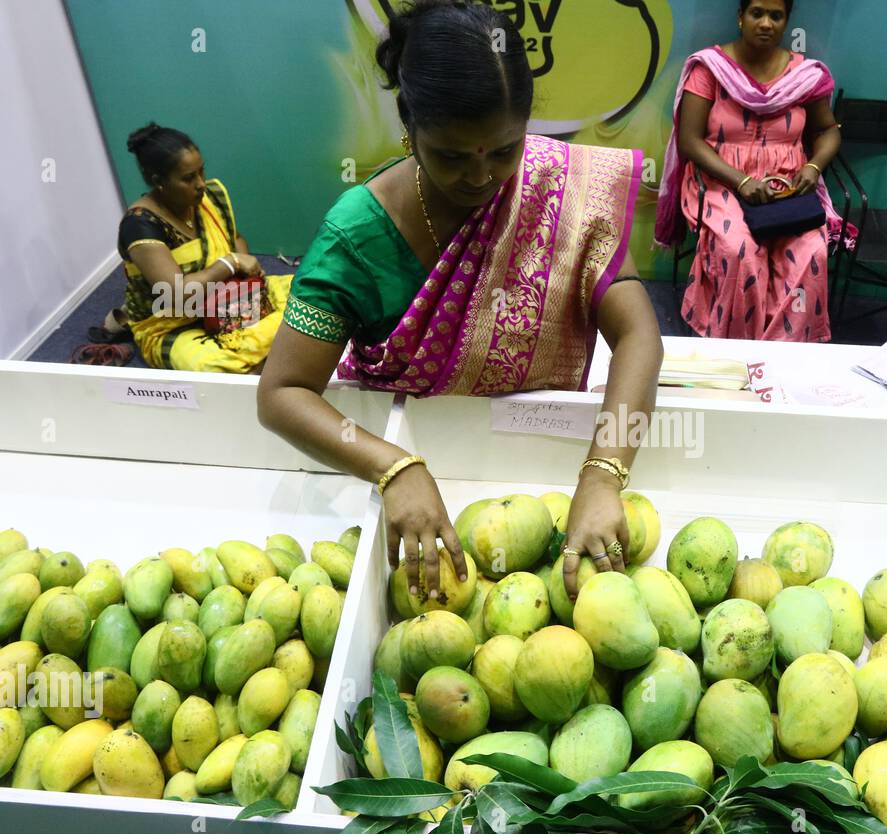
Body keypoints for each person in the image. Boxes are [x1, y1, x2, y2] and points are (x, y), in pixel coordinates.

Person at [257, 0, 663, 599]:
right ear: (408, 123)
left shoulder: (557, 185)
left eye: (505, 150)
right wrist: (393, 466)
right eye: (451, 155)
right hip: (404, 472)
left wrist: (603, 476)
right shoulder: (358, 236)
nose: (481, 178)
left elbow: (638, 336)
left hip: (530, 475)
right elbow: (282, 393)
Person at [657, 0, 846, 342]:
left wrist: (813, 166)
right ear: (740, 17)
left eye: (776, 16)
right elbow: (689, 140)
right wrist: (741, 181)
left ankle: (783, 351)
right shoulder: (711, 69)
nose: (766, 23)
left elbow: (829, 131)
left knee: (811, 251)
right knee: (738, 250)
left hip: (788, 187)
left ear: (786, 22)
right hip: (721, 183)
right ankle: (736, 346)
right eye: (757, 13)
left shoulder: (805, 76)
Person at [113, 123, 290, 372]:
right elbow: (175, 292)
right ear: (158, 181)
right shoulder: (140, 224)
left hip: (226, 300)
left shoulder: (208, 197)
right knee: (214, 367)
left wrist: (245, 282)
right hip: (173, 322)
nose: (200, 184)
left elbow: (234, 238)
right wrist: (230, 263)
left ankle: (271, 359)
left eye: (201, 171)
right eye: (188, 178)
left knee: (312, 295)